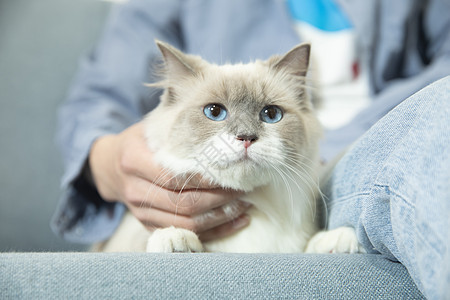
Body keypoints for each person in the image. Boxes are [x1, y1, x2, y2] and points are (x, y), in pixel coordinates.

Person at [51, 0, 450, 298]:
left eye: (269, 113)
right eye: (215, 110)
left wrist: (346, 139)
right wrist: (109, 164)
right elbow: (98, 99)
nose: (244, 133)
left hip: (356, 156)